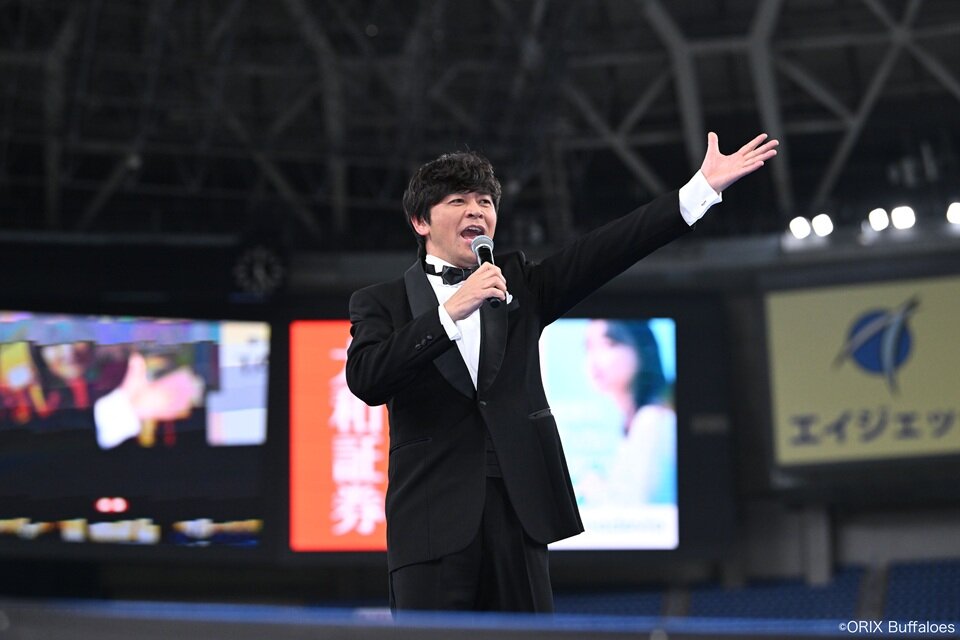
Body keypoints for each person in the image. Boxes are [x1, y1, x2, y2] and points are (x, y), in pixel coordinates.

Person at [345, 131, 778, 612]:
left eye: (485, 202)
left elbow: (608, 250)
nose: (476, 212)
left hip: (520, 515)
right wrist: (450, 313)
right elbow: (367, 378)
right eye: (458, 201)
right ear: (420, 221)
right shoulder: (380, 302)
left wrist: (700, 190)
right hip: (430, 526)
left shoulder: (520, 285)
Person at [581, 319, 676, 507]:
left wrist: (596, 489)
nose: (594, 359)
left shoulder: (654, 419)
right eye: (589, 347)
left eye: (608, 344)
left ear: (641, 349)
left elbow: (642, 506)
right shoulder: (631, 422)